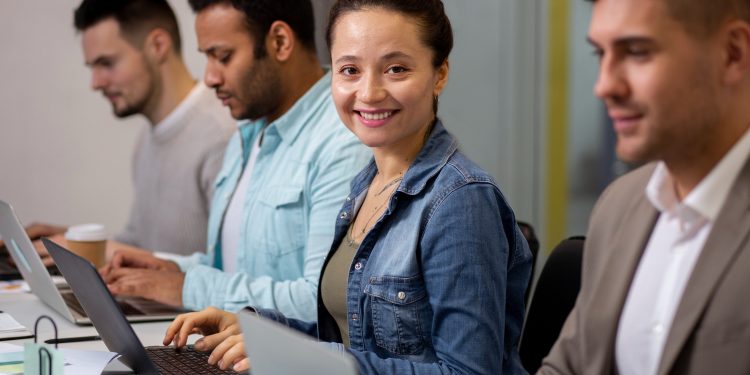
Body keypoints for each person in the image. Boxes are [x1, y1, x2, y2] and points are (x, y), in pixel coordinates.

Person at [162, 1, 532, 374]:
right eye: (350, 70)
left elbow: (469, 372)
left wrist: (304, 360)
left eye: (396, 69)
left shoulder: (460, 200)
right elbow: (353, 339)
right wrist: (256, 329)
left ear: (439, 74)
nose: (368, 93)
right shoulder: (367, 184)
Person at [99, 0, 371, 318]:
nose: (210, 77)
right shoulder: (246, 134)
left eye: (223, 57)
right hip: (230, 349)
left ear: (280, 42)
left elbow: (320, 301)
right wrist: (170, 268)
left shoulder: (342, 143)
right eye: (207, 57)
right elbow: (233, 269)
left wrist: (185, 287)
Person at [539, 0, 750, 374]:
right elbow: (569, 365)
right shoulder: (620, 205)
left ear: (732, 54)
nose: (604, 85)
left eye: (637, 52)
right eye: (600, 53)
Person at [0, 0, 236, 259]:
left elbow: (229, 273)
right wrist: (76, 242)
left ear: (158, 46)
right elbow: (143, 245)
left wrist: (97, 251)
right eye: (93, 68)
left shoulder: (223, 136)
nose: (96, 83)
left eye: (107, 63)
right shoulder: (147, 139)